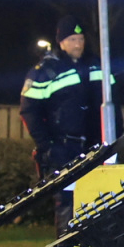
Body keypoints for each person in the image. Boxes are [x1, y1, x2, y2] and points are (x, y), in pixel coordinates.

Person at [19, 15, 106, 228]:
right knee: (68, 204)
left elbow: (112, 103)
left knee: (98, 203)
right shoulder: (46, 71)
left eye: (81, 39)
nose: (78, 44)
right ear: (61, 42)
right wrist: (47, 146)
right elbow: (29, 111)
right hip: (63, 149)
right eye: (73, 39)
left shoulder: (97, 66)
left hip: (95, 147)